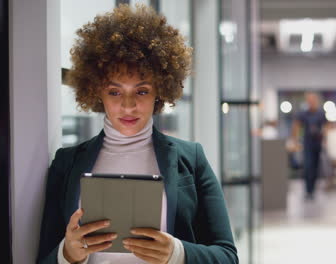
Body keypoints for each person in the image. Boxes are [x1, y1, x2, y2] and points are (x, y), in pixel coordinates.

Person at [37, 4, 238, 264]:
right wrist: (67, 254)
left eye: (142, 91)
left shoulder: (191, 159)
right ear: (97, 91)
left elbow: (227, 257)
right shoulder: (66, 162)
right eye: (115, 91)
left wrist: (178, 253)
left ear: (159, 92)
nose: (128, 105)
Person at [290, 92, 328, 200]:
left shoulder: (320, 113)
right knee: (308, 166)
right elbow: (296, 126)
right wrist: (295, 140)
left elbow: (326, 126)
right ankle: (308, 190)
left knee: (315, 167)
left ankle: (313, 190)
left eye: (313, 100)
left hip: (318, 143)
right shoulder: (303, 113)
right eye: (309, 100)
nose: (311, 102)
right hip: (307, 144)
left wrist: (325, 139)